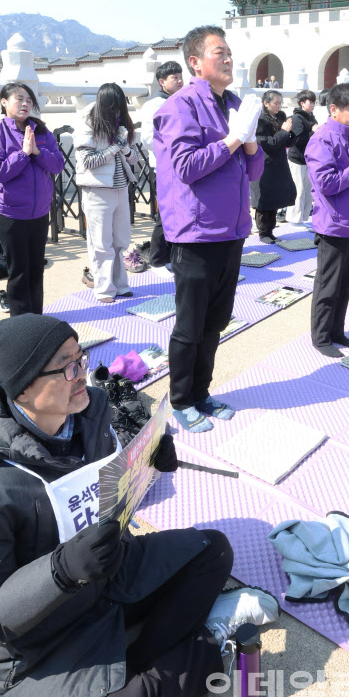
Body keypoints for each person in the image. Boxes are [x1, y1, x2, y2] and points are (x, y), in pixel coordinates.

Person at [0, 314, 278, 697]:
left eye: (81, 359)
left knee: (213, 550)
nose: (81, 375)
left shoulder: (91, 410)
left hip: (108, 574)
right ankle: (208, 645)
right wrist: (59, 572)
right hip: (36, 644)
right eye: (68, 366)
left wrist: (149, 463)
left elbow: (109, 495)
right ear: (24, 387)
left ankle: (135, 663)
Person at [153, 26, 264, 432]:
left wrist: (249, 140)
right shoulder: (180, 106)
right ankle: (181, 399)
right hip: (196, 233)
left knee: (216, 322)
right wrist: (234, 139)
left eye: (231, 52)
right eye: (221, 52)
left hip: (231, 231)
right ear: (196, 62)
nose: (230, 58)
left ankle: (202, 392)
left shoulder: (233, 103)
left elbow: (254, 169)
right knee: (190, 324)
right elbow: (186, 167)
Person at [0, 81, 64, 316]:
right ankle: (21, 323)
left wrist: (37, 151)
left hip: (39, 212)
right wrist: (23, 153)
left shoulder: (42, 131)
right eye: (19, 99)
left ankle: (37, 317)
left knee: (36, 268)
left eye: (29, 99)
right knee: (18, 271)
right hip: (10, 213)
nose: (25, 103)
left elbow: (58, 165)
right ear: (4, 102)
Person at [305, 83, 349, 358]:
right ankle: (321, 336)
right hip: (333, 224)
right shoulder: (322, 139)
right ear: (334, 110)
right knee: (328, 284)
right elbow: (326, 183)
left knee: (345, 284)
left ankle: (337, 331)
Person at [74, 84, 140, 304]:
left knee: (120, 240)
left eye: (120, 106)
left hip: (121, 188)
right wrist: (114, 148)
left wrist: (125, 148)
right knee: (101, 243)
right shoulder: (87, 122)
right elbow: (87, 161)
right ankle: (104, 289)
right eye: (113, 106)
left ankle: (121, 285)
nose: (117, 111)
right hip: (97, 190)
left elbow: (134, 158)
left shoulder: (122, 123)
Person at [138, 62, 185, 269]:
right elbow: (148, 138)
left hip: (184, 164)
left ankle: (175, 258)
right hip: (163, 166)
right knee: (165, 213)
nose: (180, 80)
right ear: (162, 81)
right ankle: (157, 260)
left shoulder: (184, 100)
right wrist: (176, 144)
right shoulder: (153, 105)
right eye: (174, 77)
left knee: (181, 212)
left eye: (180, 76)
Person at [251, 91, 296, 242]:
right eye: (275, 103)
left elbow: (286, 142)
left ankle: (270, 231)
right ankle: (263, 232)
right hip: (265, 164)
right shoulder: (260, 119)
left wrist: (291, 132)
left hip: (279, 163)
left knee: (276, 198)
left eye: (279, 103)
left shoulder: (280, 116)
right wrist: (284, 131)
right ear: (266, 103)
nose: (278, 106)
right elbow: (267, 143)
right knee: (264, 199)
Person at [285, 90, 317, 226]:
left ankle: (303, 218)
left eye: (314, 102)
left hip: (308, 159)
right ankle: (294, 219)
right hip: (297, 159)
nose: (313, 105)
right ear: (302, 103)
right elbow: (297, 140)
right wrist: (312, 132)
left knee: (308, 190)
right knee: (298, 190)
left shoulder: (311, 117)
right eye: (311, 102)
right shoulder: (297, 118)